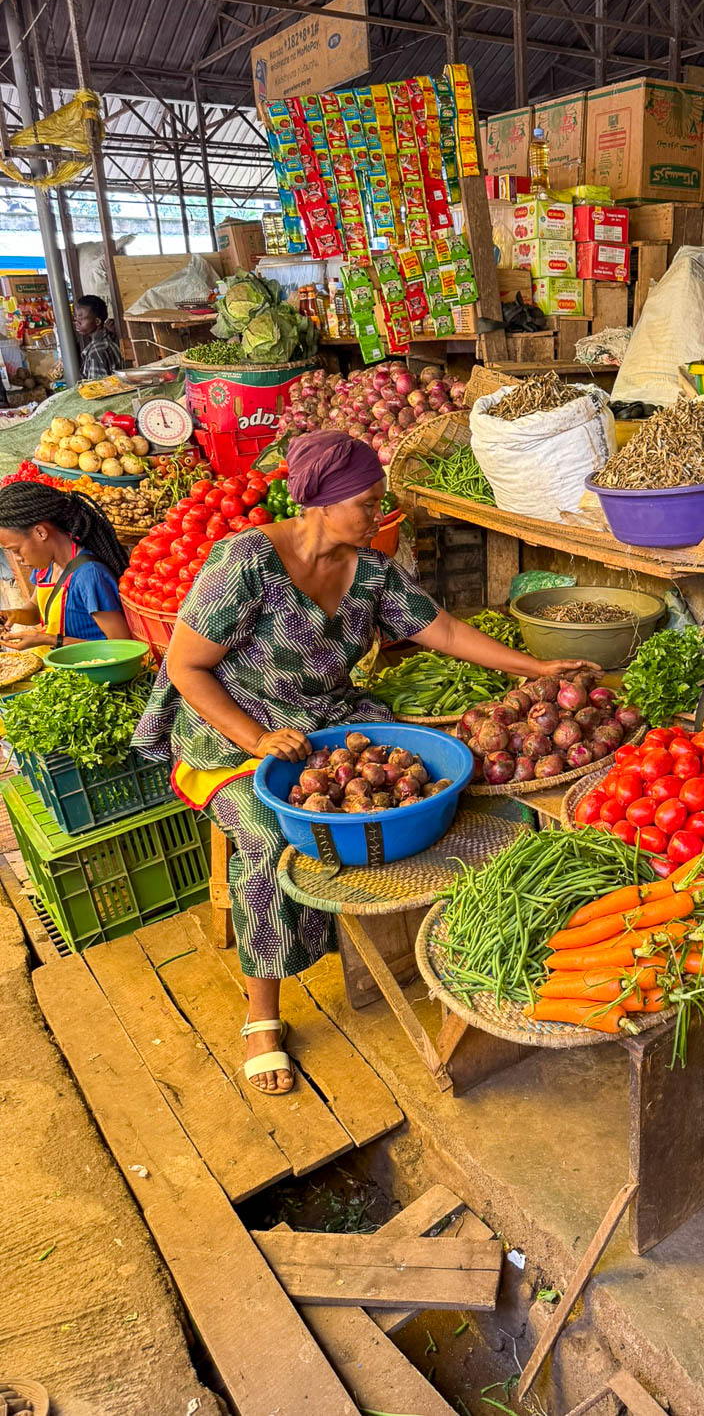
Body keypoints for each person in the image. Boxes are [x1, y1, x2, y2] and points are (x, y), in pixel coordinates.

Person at [133, 430, 597, 1097]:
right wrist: (258, 739)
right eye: (368, 500)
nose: (378, 513)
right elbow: (186, 666)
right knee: (266, 839)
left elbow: (437, 629)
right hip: (232, 733)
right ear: (318, 500)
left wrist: (534, 667)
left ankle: (392, 945)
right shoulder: (248, 562)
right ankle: (261, 1017)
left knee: (423, 786)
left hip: (329, 724)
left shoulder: (369, 567)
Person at [0, 482, 130, 653]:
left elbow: (123, 646)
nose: (18, 559)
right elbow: (35, 608)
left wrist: (50, 639)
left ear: (41, 533)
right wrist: (13, 615)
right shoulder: (48, 567)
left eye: (17, 551)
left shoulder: (90, 576)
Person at [74, 294, 124, 379]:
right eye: (75, 317)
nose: (77, 322)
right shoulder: (105, 341)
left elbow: (97, 389)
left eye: (81, 318)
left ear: (97, 321)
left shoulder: (96, 351)